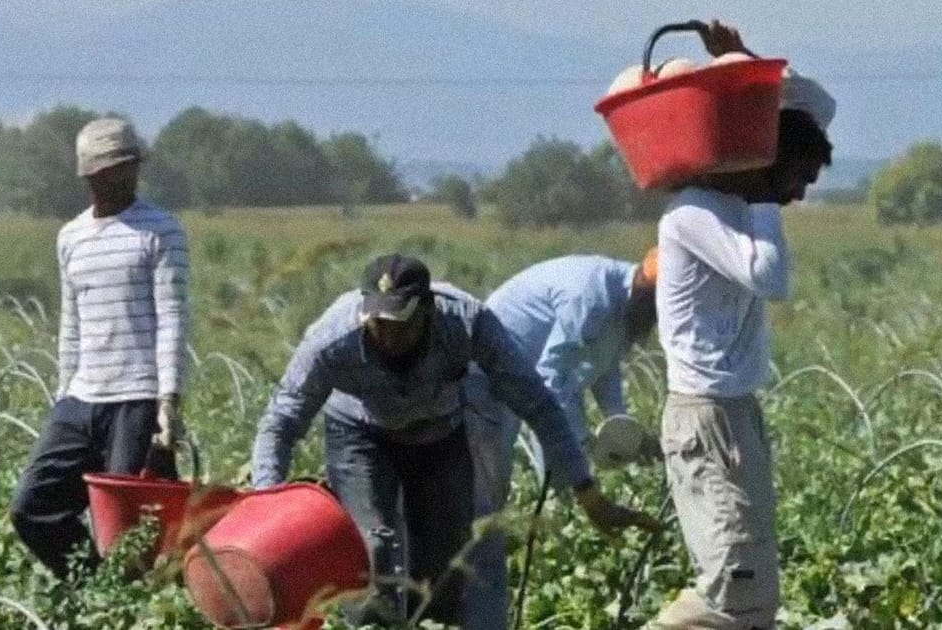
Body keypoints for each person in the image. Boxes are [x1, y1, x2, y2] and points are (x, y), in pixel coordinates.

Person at [251, 253, 659, 627]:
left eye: (400, 323)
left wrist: (587, 493)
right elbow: (281, 421)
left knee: (444, 570)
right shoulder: (332, 340)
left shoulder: (466, 322)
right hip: (361, 435)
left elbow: (538, 403)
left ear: (427, 311)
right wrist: (266, 510)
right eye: (377, 322)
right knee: (372, 550)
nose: (386, 335)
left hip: (439, 434)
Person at [646, 21, 836, 630]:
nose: (799, 197)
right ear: (767, 162)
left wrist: (743, 62)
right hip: (707, 416)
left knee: (755, 587)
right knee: (736, 585)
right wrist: (759, 188)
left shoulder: (733, 207)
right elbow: (771, 277)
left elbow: (819, 107)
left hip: (733, 412)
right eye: (798, 179)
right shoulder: (695, 214)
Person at [10, 118, 189, 579]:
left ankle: (128, 605)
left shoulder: (160, 230)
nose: (121, 177)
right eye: (110, 169)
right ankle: (94, 591)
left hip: (136, 399)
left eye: (128, 166)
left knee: (128, 534)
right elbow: (71, 324)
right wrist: (63, 396)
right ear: (89, 175)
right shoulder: (71, 237)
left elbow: (172, 318)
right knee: (32, 507)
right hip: (82, 398)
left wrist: (168, 403)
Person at [462, 251, 661, 630]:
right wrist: (581, 442)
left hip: (528, 378)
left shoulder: (623, 310)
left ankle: (546, 551)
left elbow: (605, 374)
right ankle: (478, 588)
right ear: (646, 292)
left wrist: (623, 430)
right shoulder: (593, 295)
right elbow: (552, 377)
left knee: (561, 478)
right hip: (491, 375)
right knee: (491, 486)